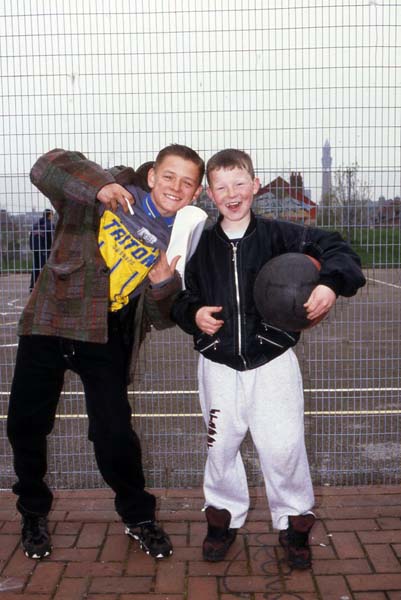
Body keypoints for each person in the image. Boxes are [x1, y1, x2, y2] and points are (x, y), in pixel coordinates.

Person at [7, 145, 204, 561]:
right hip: (51, 319)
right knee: (26, 424)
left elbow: (158, 316)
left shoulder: (183, 237)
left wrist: (165, 284)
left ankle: (138, 517)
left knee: (114, 435)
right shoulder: (109, 192)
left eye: (187, 182)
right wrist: (100, 187)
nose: (176, 187)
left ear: (196, 193)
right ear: (152, 176)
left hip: (105, 333)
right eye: (169, 176)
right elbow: (45, 167)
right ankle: (32, 511)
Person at [171, 149, 366, 570]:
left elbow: (340, 251)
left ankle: (294, 527)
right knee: (220, 446)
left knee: (283, 447)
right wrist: (192, 314)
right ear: (208, 193)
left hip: (272, 360)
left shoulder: (283, 234)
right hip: (218, 363)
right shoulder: (198, 243)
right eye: (221, 187)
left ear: (255, 185)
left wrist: (331, 284)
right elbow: (175, 295)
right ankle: (221, 519)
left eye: (240, 183)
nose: (232, 194)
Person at [29, 208, 54, 292]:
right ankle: (45, 287)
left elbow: (31, 237)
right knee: (45, 268)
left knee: (35, 267)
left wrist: (32, 247)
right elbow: (51, 238)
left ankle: (32, 287)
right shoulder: (50, 225)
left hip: (35, 248)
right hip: (44, 249)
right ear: (50, 215)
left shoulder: (35, 224)